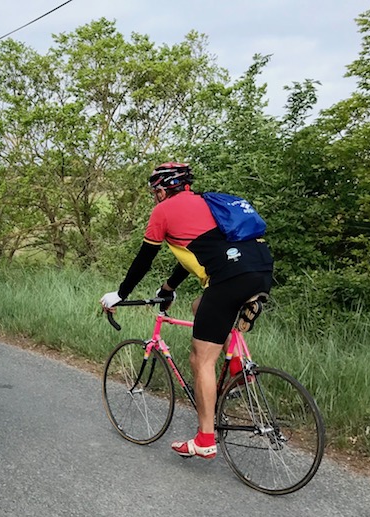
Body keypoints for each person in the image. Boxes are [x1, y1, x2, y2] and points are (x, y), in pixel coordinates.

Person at [100, 162, 274, 460]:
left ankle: (205, 439)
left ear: (163, 189)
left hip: (227, 279)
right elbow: (189, 255)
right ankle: (238, 364)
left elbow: (145, 259)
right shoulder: (206, 202)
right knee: (201, 307)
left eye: (156, 190)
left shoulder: (163, 211)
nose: (154, 196)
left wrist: (120, 294)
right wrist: (167, 289)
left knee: (201, 359)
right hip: (260, 269)